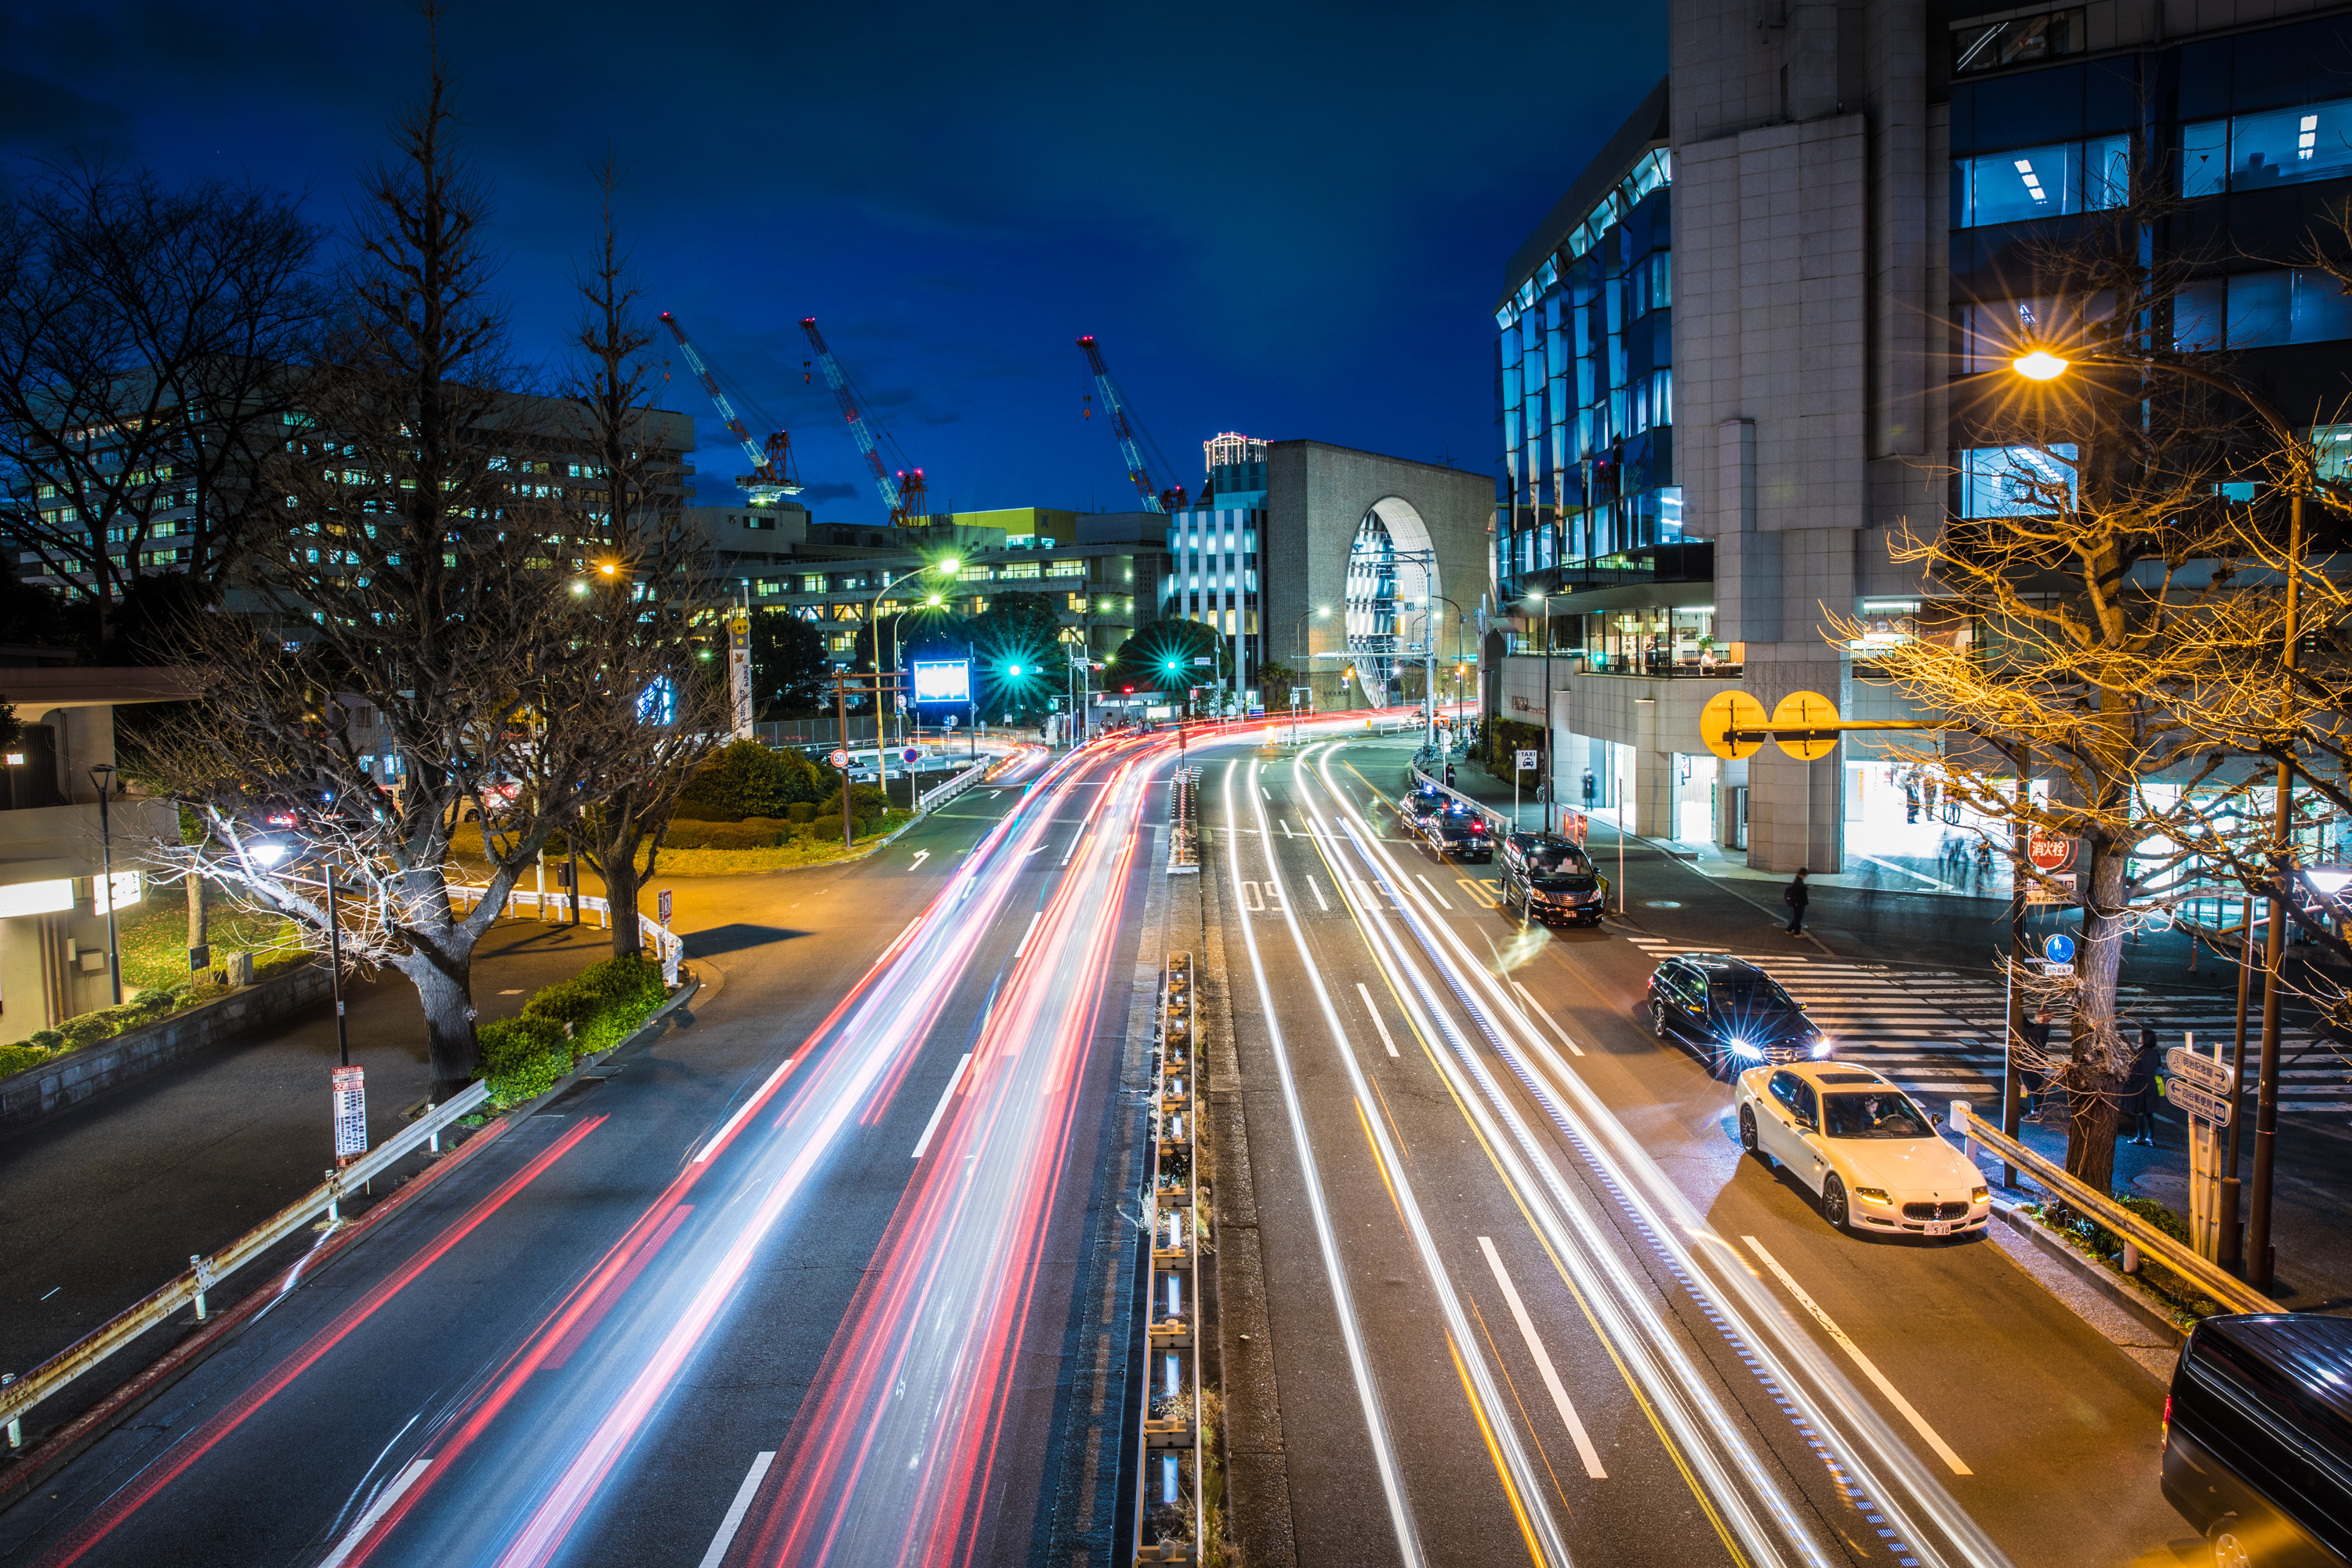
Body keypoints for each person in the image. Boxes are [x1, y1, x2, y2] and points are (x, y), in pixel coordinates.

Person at [2125, 1025, 2162, 1145]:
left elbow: (2134, 1071)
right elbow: (2159, 1071)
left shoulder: (2140, 1052)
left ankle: (2140, 1137)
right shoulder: (2155, 1052)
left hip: (2140, 1086)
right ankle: (2152, 1137)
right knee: (2149, 1113)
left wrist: (2128, 1082)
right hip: (2151, 1085)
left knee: (2140, 1112)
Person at [2016, 1004, 2053, 1116]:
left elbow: (2025, 1031)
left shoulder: (2040, 1029)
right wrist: (2018, 1013)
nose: (2035, 1017)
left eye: (2036, 1016)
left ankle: (2036, 1112)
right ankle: (2036, 1111)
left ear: (2041, 1018)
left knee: (2035, 1088)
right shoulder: (2041, 1028)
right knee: (2033, 1086)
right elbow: (2028, 1026)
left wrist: (2016, 1019)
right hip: (2034, 1060)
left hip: (2034, 1061)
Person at [1784, 867, 1810, 935]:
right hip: (1798, 903)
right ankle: (1797, 933)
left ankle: (1789, 929)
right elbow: (1798, 893)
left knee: (1797, 917)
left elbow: (1799, 890)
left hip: (1798, 903)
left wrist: (1805, 888)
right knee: (1798, 918)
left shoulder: (1798, 881)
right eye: (1805, 875)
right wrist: (1796, 903)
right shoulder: (1798, 882)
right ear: (1803, 875)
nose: (1805, 877)